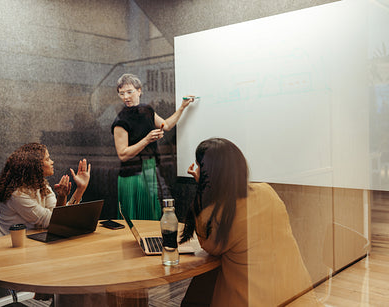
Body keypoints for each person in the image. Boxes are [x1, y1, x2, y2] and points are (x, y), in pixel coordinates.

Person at [180, 138, 322, 306]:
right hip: (296, 295)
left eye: (199, 166)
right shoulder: (267, 191)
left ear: (207, 174)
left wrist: (203, 189)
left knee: (201, 286)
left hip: (255, 300)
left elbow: (209, 246)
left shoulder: (218, 214)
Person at [111, 73, 194, 220]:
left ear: (139, 91)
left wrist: (182, 107)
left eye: (129, 92)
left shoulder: (147, 110)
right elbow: (123, 154)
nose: (126, 97)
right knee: (136, 216)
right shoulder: (120, 121)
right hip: (132, 175)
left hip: (151, 168)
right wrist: (147, 139)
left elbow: (166, 125)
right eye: (122, 93)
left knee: (153, 212)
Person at [0, 143, 91, 238]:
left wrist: (80, 189)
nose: (52, 162)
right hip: (5, 246)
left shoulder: (42, 186)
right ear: (35, 166)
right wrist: (62, 197)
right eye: (47, 159)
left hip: (31, 241)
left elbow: (60, 218)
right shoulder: (17, 194)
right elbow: (54, 222)